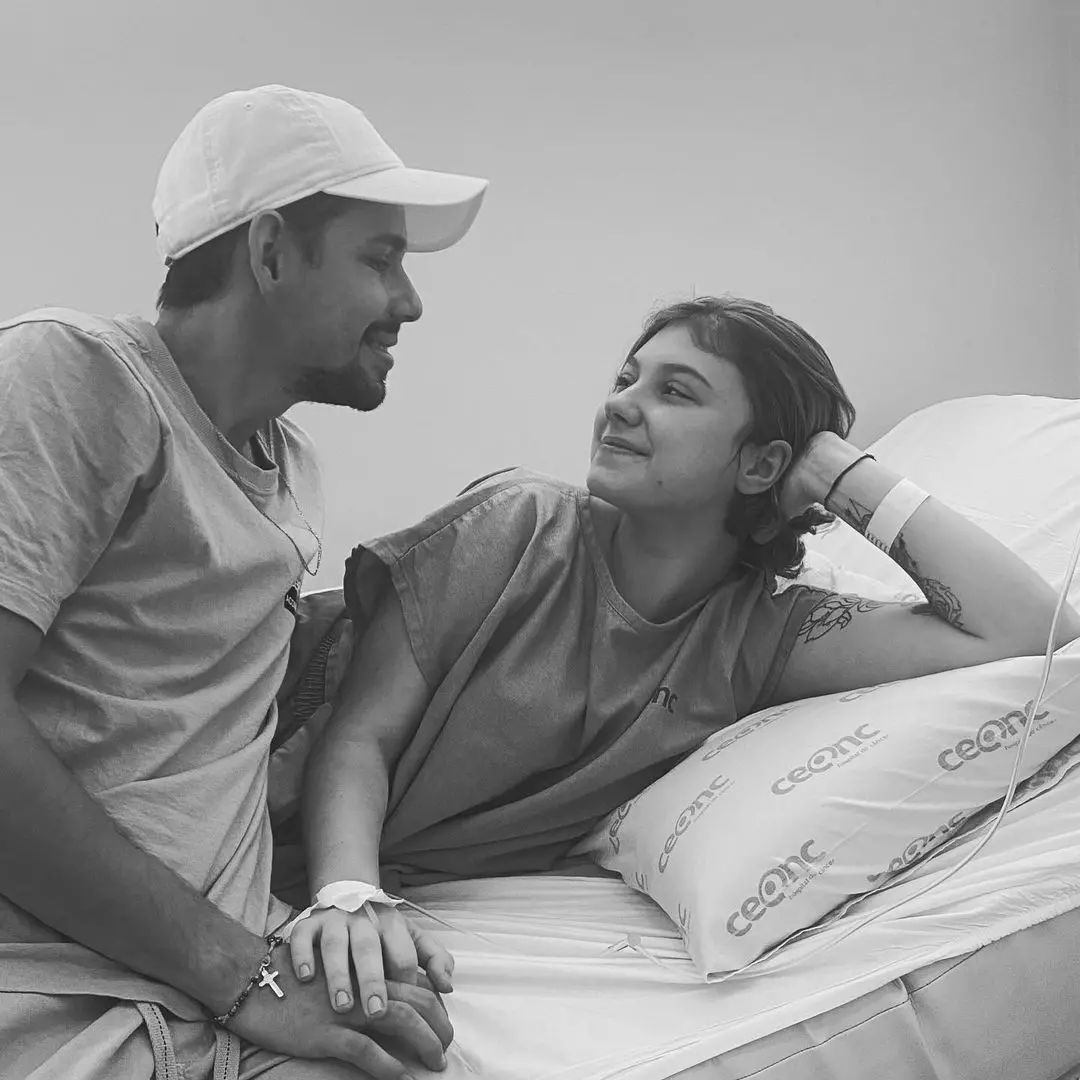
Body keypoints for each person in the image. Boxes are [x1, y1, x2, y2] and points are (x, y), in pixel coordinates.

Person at [279, 294, 1080, 1027]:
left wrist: (840, 473)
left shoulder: (759, 638)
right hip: (259, 767)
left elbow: (1032, 628)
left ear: (761, 464)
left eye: (675, 391)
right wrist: (348, 895)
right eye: (626, 378)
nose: (620, 404)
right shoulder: (518, 524)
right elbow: (359, 735)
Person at [0, 84, 486, 1080]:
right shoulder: (76, 374)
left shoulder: (289, 467)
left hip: (210, 995)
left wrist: (335, 914)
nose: (409, 302)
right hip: (63, 1001)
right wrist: (244, 974)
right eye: (379, 259)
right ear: (269, 253)